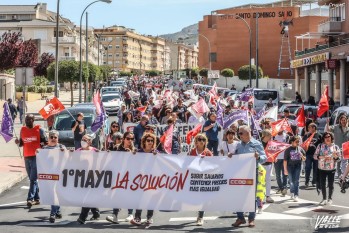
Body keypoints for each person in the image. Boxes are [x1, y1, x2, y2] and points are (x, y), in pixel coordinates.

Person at [232, 125, 266, 228]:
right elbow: (235, 155)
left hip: (252, 174)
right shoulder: (238, 145)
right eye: (239, 133)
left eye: (241, 133)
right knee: (238, 196)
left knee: (252, 197)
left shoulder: (257, 144)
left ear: (248, 133)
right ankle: (240, 217)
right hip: (240, 173)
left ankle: (251, 219)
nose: (239, 135)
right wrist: (230, 155)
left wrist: (258, 157)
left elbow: (264, 157)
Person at [15, 114, 48, 207]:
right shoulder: (23, 130)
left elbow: (46, 142)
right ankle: (37, 198)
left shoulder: (40, 130)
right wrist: (18, 142)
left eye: (29, 119)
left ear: (33, 120)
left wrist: (42, 147)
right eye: (26, 119)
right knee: (32, 178)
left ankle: (30, 199)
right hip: (26, 156)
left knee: (33, 178)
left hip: (36, 157)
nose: (28, 121)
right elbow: (21, 143)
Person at [106, 132, 136, 224]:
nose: (130, 141)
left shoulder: (134, 150)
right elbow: (109, 157)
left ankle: (130, 214)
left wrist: (131, 154)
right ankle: (115, 215)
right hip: (118, 175)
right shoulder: (116, 148)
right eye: (128, 138)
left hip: (129, 176)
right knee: (117, 195)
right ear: (123, 138)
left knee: (129, 195)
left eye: (132, 139)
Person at [130, 133, 158, 227]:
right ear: (144, 142)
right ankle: (137, 217)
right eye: (148, 140)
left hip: (152, 179)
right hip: (140, 179)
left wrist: (157, 156)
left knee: (150, 198)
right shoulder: (138, 152)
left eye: (152, 141)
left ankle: (149, 218)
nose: (150, 142)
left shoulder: (155, 152)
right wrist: (133, 154)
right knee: (139, 198)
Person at [39, 130, 66, 223]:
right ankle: (57, 211)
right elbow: (40, 161)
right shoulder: (44, 149)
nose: (53, 139)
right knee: (53, 194)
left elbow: (69, 158)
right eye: (51, 137)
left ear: (58, 138)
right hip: (49, 176)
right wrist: (37, 153)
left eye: (55, 137)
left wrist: (65, 152)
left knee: (55, 193)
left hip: (60, 175)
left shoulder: (62, 147)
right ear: (48, 138)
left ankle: (53, 213)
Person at [188, 133, 213, 226]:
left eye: (203, 140)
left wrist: (206, 160)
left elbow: (213, 165)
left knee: (202, 198)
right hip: (194, 178)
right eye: (199, 139)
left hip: (204, 178)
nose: (201, 141)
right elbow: (187, 164)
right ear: (196, 142)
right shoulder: (192, 152)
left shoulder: (208, 152)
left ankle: (200, 216)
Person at [77, 135, 100, 224]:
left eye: (86, 140)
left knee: (87, 196)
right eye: (82, 139)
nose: (83, 141)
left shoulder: (95, 151)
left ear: (90, 142)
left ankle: (82, 217)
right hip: (81, 178)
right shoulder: (78, 151)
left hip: (93, 177)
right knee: (86, 196)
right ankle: (96, 212)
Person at [314, 132, 341, 206]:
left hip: (331, 169)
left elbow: (339, 159)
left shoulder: (335, 147)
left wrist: (335, 156)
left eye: (329, 136)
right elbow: (315, 156)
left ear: (331, 138)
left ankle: (330, 199)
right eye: (326, 137)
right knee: (322, 184)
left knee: (331, 184)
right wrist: (321, 157)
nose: (327, 138)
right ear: (323, 138)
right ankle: (324, 199)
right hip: (322, 168)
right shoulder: (320, 146)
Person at [325, 114, 349, 178]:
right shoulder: (336, 127)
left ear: (347, 121)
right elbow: (328, 130)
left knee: (345, 163)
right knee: (338, 162)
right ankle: (339, 176)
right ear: (340, 121)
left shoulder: (348, 129)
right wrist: (327, 123)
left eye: (345, 120)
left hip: (346, 149)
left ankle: (344, 176)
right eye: (342, 120)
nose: (343, 121)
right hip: (337, 148)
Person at [284, 136, 306, 202]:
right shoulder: (288, 150)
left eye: (298, 141)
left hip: (298, 166)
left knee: (296, 181)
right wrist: (285, 169)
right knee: (291, 181)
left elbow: (304, 159)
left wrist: (302, 155)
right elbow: (285, 160)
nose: (298, 143)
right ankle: (292, 193)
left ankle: (296, 195)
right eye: (296, 142)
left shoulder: (300, 149)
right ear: (292, 142)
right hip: (290, 166)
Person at [303, 123, 322, 188]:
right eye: (308, 127)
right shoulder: (307, 135)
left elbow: (321, 145)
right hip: (308, 154)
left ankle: (314, 181)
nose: (308, 129)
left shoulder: (319, 135)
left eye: (309, 127)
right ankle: (307, 181)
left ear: (314, 128)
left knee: (315, 169)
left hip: (316, 155)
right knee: (307, 168)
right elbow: (303, 144)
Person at [260, 129, 274, 203]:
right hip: (260, 165)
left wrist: (275, 157)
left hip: (269, 164)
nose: (271, 137)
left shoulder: (271, 144)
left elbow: (274, 151)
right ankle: (260, 196)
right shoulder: (258, 143)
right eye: (269, 135)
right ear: (265, 136)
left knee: (268, 180)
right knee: (260, 181)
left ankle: (268, 196)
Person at [274, 130, 289, 197]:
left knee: (285, 174)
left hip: (284, 158)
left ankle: (284, 187)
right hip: (277, 158)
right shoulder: (274, 136)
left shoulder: (287, 136)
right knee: (277, 175)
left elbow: (289, 146)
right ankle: (281, 188)